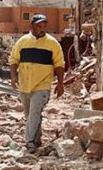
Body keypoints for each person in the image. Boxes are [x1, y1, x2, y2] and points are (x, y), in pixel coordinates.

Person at [9, 14, 65, 151]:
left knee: (34, 112)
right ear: (32, 26)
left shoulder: (52, 43)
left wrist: (60, 83)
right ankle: (37, 138)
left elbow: (59, 64)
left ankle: (29, 142)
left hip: (42, 85)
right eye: (39, 26)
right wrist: (13, 77)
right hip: (25, 85)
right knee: (30, 115)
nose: (42, 28)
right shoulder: (22, 42)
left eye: (44, 26)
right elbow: (13, 60)